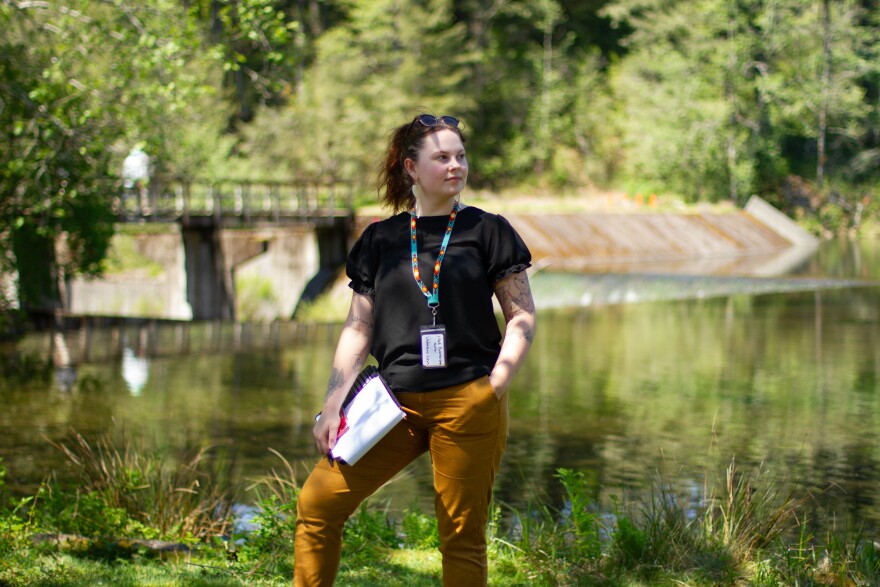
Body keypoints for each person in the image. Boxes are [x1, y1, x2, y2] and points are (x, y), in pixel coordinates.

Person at [294, 114, 537, 586]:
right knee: (317, 505)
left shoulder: (488, 231)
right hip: (390, 403)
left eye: (460, 156)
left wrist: (498, 381)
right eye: (441, 157)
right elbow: (359, 325)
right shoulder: (379, 240)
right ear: (411, 167)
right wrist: (331, 403)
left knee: (461, 536)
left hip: (468, 400)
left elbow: (521, 314)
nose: (455, 166)